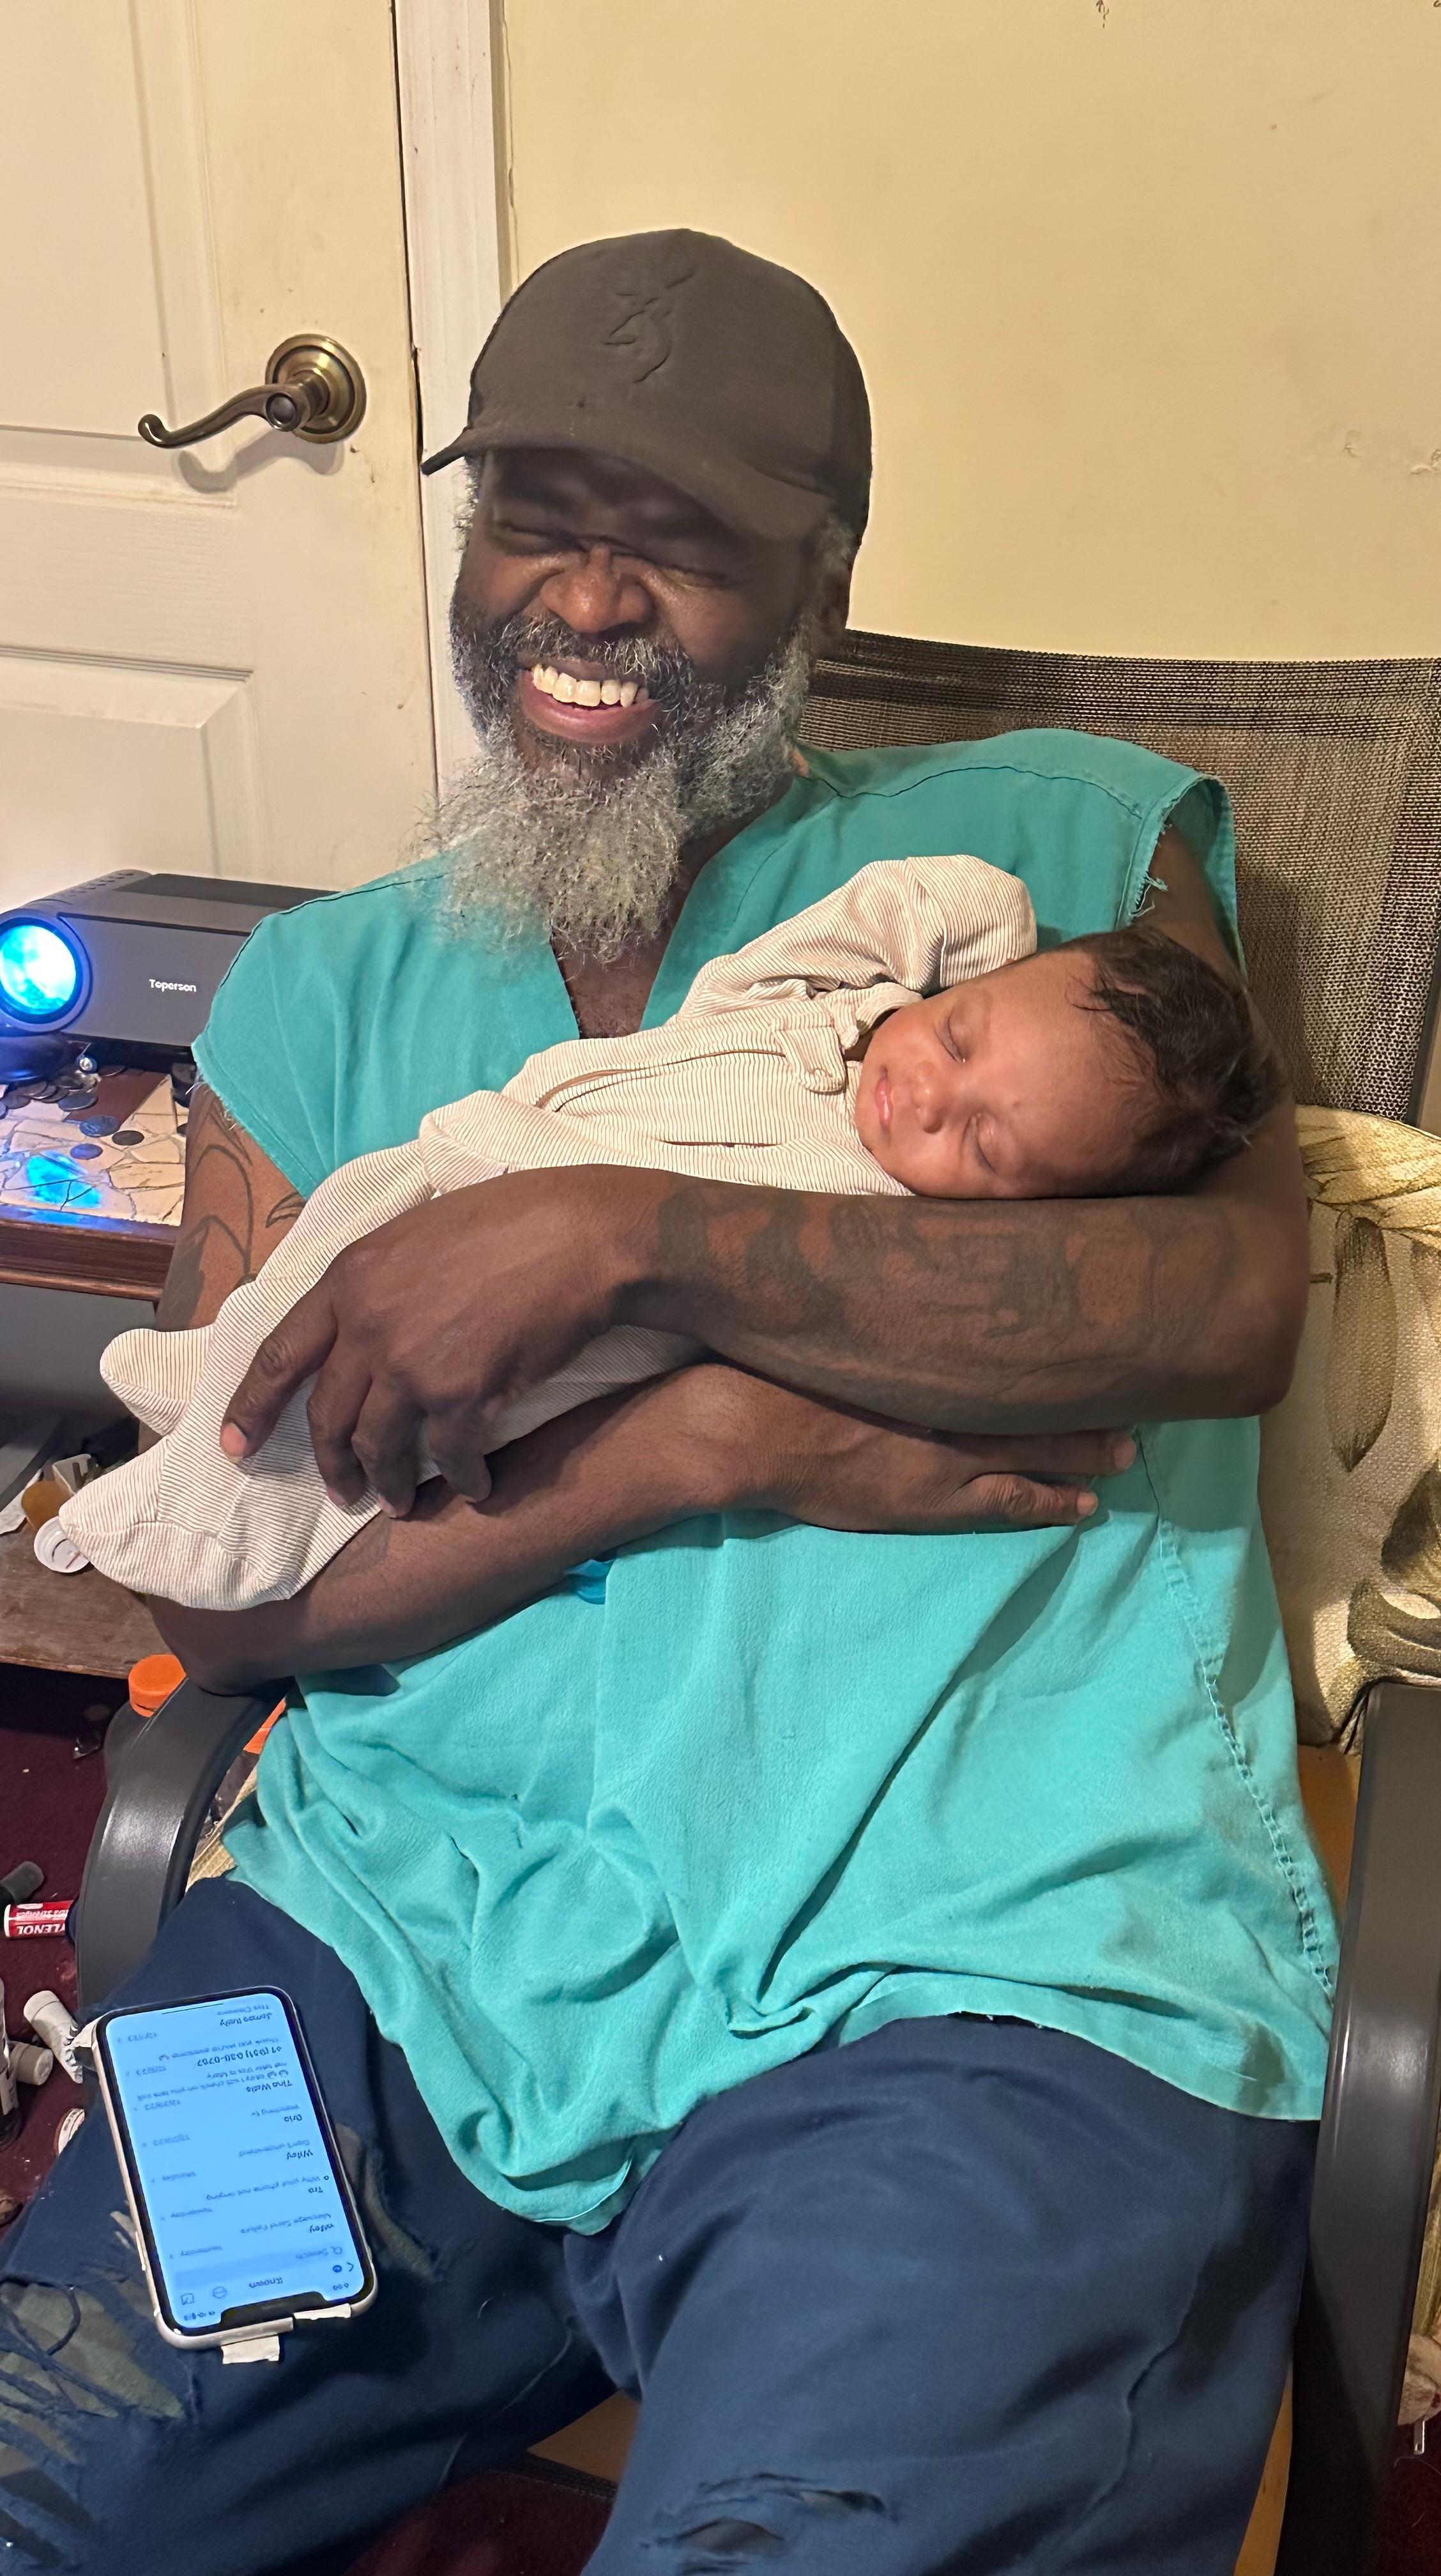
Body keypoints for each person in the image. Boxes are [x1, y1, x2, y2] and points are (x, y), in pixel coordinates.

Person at [0, 228, 1334, 2576]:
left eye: (683, 541)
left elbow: (1220, 1303)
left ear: (824, 580)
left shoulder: (1050, 859)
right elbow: (227, 1606)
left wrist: (629, 1237)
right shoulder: (317, 997)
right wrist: (705, 1446)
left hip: (968, 1993)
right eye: (534, 515)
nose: (587, 599)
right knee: (46, 2473)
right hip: (385, 1956)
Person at [66, 855, 1278, 1614]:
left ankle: (206, 1517)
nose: (928, 1096)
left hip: (591, 1348)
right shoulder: (811, 1013)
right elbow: (897, 909)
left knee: (410, 1438)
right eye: (957, 1039)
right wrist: (989, 936)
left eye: (989, 1145)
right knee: (326, 1267)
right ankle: (211, 1381)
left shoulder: (887, 1222)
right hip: (468, 1164)